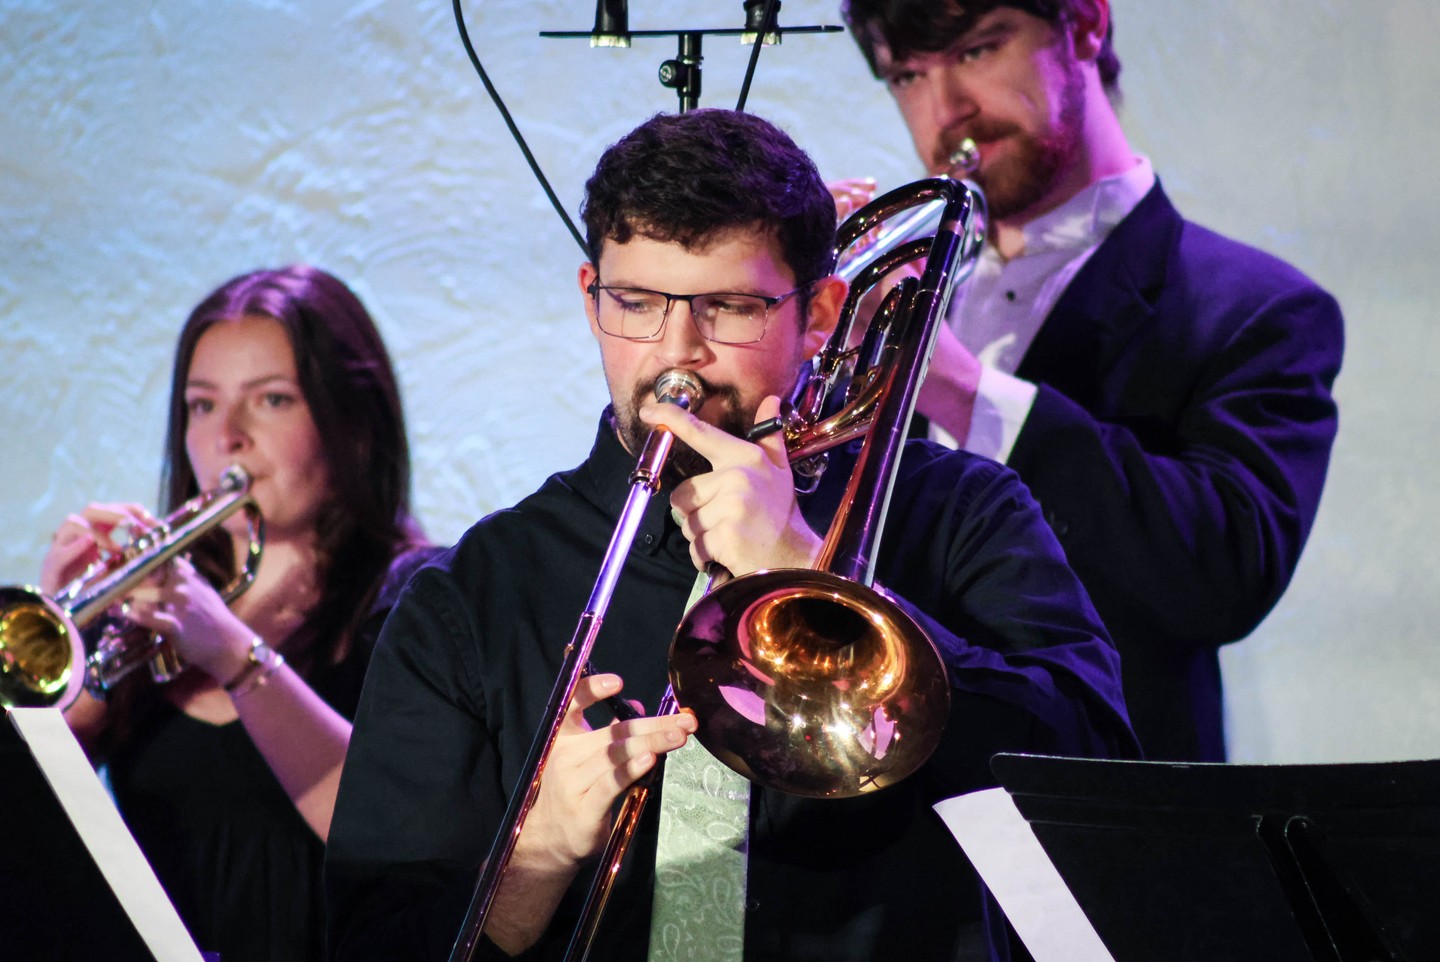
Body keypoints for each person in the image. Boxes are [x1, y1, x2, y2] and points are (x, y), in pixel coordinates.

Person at [325, 108, 1136, 962]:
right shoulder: (473, 594)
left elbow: (1093, 788)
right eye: (636, 304)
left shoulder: (962, 514)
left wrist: (808, 570)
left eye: (730, 308)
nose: (677, 355)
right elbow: (369, 942)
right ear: (591, 299)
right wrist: (536, 857)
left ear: (818, 314)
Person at [840, 0, 1344, 761]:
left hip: (1098, 795)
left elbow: (1222, 579)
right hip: (879, 798)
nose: (947, 110)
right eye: (908, 75)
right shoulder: (896, 287)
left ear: (1084, 26)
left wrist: (960, 389)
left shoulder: (1256, 308)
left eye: (977, 51)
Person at [39, 265, 432, 962]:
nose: (228, 436)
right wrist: (59, 650)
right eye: (202, 405)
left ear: (354, 424)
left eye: (272, 399)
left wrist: (232, 655)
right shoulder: (149, 608)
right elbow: (36, 822)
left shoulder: (422, 599)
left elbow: (401, 831)